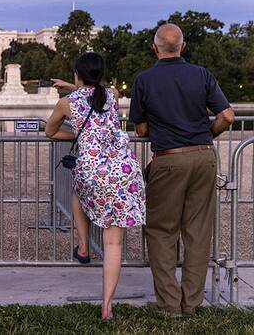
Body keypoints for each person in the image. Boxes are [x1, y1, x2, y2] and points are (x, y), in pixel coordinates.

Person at [129, 23, 235, 316]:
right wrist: (203, 136)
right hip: (203, 157)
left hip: (168, 159)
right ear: (183, 47)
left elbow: (140, 129)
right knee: (198, 233)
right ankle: (192, 303)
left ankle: (169, 305)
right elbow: (227, 116)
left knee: (162, 232)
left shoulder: (144, 80)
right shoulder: (201, 74)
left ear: (155, 47)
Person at [46, 52, 146, 320]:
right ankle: (106, 308)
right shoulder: (111, 94)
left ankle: (83, 247)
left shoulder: (68, 103)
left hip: (90, 171)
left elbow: (51, 132)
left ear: (77, 75)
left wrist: (78, 132)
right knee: (113, 244)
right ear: (101, 75)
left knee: (79, 192)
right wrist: (74, 85)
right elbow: (94, 91)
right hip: (123, 172)